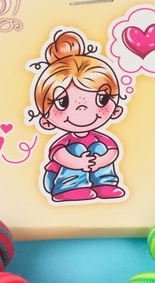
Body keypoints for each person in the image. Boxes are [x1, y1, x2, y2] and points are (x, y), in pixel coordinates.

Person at [30, 30, 127, 203]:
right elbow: (59, 155)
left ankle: (104, 184)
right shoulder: (67, 141)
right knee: (77, 149)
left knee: (100, 148)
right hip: (57, 179)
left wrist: (100, 161)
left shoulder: (99, 139)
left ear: (116, 109)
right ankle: (69, 188)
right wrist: (79, 163)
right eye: (63, 102)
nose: (82, 109)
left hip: (91, 171)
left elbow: (113, 151)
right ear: (45, 120)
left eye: (102, 99)